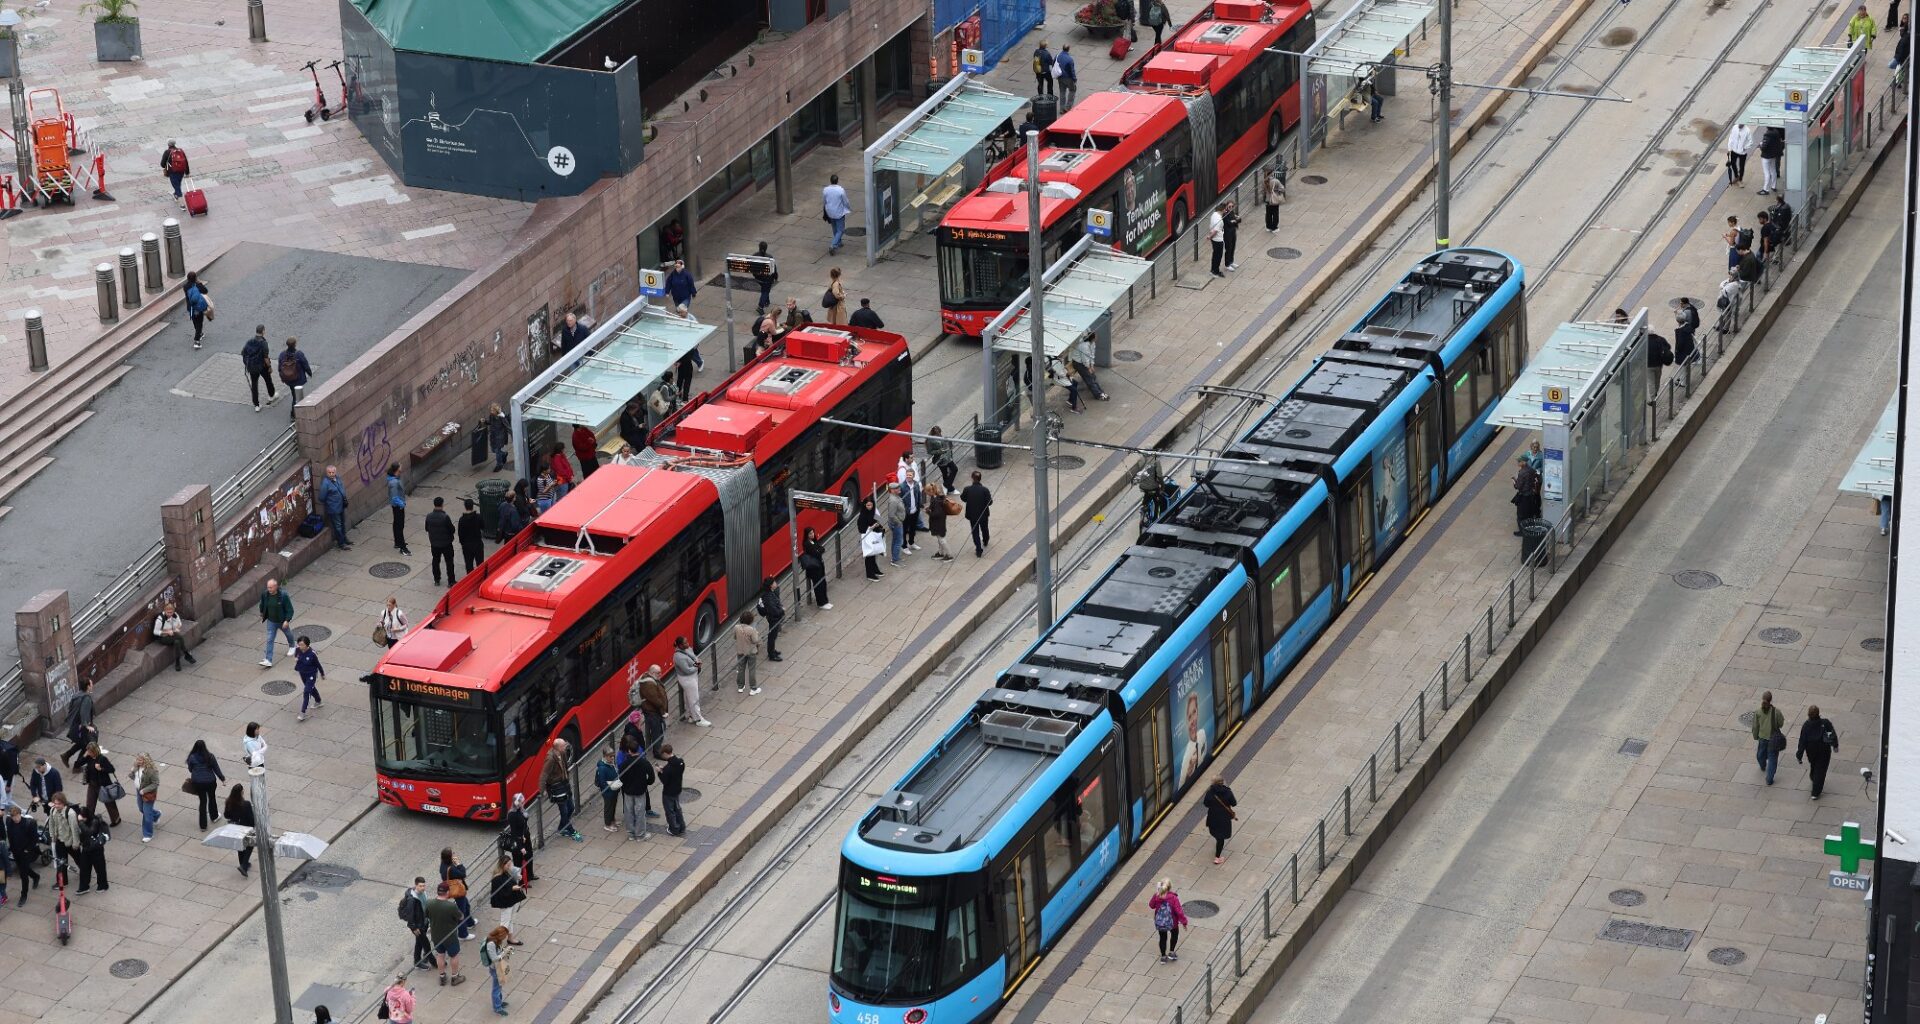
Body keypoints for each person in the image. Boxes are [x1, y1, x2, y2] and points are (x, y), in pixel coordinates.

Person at [1794, 705, 1841, 800]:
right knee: (1821, 770)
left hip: (1811, 750)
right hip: (1824, 750)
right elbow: (1832, 734)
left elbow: (1802, 741)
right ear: (1818, 713)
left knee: (1814, 764)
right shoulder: (1825, 723)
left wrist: (1799, 755)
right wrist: (1835, 745)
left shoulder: (1806, 725)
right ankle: (1815, 792)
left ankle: (1813, 776)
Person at [425, 881, 467, 986]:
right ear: (447, 892)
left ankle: (442, 977)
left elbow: (426, 915)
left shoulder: (429, 903)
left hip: (436, 936)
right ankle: (455, 977)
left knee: (440, 955)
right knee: (454, 955)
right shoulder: (451, 906)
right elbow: (461, 917)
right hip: (450, 937)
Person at [543, 740, 583, 841]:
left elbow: (564, 766)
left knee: (571, 808)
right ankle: (571, 830)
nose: (566, 746)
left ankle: (562, 828)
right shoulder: (550, 759)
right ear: (558, 747)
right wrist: (542, 790)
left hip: (565, 784)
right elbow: (543, 775)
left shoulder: (563, 753)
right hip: (557, 788)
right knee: (564, 811)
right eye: (564, 745)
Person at [617, 735, 655, 839]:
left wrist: (626, 784)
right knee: (640, 813)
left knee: (629, 813)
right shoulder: (644, 763)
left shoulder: (624, 764)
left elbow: (620, 777)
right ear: (638, 749)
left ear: (629, 751)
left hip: (628, 791)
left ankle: (631, 834)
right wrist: (646, 783)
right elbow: (651, 777)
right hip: (640, 791)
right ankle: (640, 834)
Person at [75, 742, 121, 826]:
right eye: (88, 751)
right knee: (90, 803)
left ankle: (116, 819)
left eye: (90, 751)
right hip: (92, 784)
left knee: (109, 803)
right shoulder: (88, 757)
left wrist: (101, 769)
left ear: (95, 751)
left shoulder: (102, 759)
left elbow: (111, 769)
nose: (89, 753)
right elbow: (77, 764)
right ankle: (89, 820)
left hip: (103, 785)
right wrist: (84, 756)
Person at [631, 663, 671, 752]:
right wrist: (663, 711)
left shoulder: (650, 679)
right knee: (657, 732)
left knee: (657, 730)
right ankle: (657, 751)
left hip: (653, 711)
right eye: (658, 673)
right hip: (653, 712)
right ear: (652, 672)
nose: (660, 674)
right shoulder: (648, 683)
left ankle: (655, 748)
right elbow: (655, 700)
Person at [186, 739, 224, 829]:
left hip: (198, 783)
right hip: (210, 781)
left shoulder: (192, 757)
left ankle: (203, 826)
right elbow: (216, 768)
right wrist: (222, 779)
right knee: (212, 798)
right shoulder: (210, 756)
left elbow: (190, 769)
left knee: (202, 802)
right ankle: (214, 816)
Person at [1751, 690, 1787, 786]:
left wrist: (1755, 736)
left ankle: (1762, 765)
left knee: (1760, 754)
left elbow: (1755, 726)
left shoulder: (1758, 712)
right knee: (1772, 759)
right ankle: (1769, 779)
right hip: (1773, 739)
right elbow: (1781, 724)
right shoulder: (1776, 712)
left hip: (1762, 738)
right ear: (1770, 700)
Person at [673, 637, 711, 727]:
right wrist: (697, 666)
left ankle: (690, 715)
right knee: (694, 698)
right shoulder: (678, 657)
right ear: (680, 645)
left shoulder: (687, 649)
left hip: (692, 676)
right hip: (687, 679)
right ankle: (698, 719)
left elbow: (693, 657)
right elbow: (687, 670)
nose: (688, 643)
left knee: (689, 697)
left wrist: (696, 662)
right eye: (685, 643)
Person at [258, 577, 296, 667]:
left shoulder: (283, 596)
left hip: (282, 621)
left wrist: (287, 620)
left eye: (271, 587)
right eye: (268, 587)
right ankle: (268, 659)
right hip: (271, 621)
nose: (269, 589)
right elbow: (262, 604)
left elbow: (290, 609)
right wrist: (262, 614)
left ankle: (292, 646)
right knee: (270, 639)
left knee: (288, 633)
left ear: (276, 586)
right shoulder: (265, 594)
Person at [71, 805, 109, 893]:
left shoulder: (94, 821)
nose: (81, 820)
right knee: (84, 868)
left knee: (100, 868)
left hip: (96, 849)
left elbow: (89, 832)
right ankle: (84, 886)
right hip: (86, 848)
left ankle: (103, 885)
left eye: (82, 818)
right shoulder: (83, 821)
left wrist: (81, 822)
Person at [440, 847, 476, 940]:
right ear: (450, 857)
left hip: (454, 889)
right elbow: (463, 874)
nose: (455, 854)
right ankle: (463, 934)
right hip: (458, 891)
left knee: (466, 906)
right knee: (461, 912)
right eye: (453, 854)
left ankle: (470, 923)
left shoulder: (443, 864)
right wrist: (459, 864)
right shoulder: (451, 868)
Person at [1149, 879, 1189, 963]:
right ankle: (1171, 952)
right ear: (1170, 888)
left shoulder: (1156, 896)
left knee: (1163, 938)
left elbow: (1151, 905)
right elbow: (1179, 911)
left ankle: (1163, 957)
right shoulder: (1173, 898)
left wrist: (1156, 895)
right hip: (1173, 922)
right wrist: (1184, 922)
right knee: (1174, 935)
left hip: (1160, 923)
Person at [488, 854, 527, 938]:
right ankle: (498, 942)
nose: (510, 866)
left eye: (510, 864)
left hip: (513, 900)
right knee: (505, 923)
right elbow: (499, 892)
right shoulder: (497, 878)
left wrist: (518, 877)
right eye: (508, 865)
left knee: (511, 920)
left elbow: (511, 882)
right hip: (506, 903)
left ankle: (510, 938)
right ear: (502, 865)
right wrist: (512, 888)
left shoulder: (508, 871)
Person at [6, 805, 39, 904]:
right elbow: (10, 835)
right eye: (13, 817)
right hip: (15, 851)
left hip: (25, 852)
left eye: (17, 816)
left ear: (20, 814)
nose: (15, 818)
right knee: (22, 868)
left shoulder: (29, 823)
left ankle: (23, 895)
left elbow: (34, 839)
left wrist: (27, 850)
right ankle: (35, 876)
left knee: (23, 874)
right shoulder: (9, 822)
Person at [1203, 775, 1238, 864]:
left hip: (1213, 817)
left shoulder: (1210, 792)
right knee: (1221, 838)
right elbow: (1234, 803)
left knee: (1217, 835)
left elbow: (1206, 804)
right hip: (1224, 818)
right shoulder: (1228, 792)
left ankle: (1218, 852)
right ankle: (1217, 857)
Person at [242, 325, 278, 412]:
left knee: (254, 384)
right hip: (262, 366)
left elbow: (243, 352)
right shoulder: (263, 343)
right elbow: (266, 357)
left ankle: (256, 405)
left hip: (252, 367)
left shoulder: (250, 341)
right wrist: (269, 367)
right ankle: (271, 395)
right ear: (263, 331)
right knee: (268, 380)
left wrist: (247, 364)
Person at [153, 600, 197, 671]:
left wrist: (177, 628)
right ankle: (186, 654)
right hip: (163, 638)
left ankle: (177, 662)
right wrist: (167, 632)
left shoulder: (175, 615)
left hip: (174, 635)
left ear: (173, 611)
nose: (170, 614)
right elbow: (155, 631)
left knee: (177, 642)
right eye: (168, 612)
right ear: (165, 611)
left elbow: (180, 623)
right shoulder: (160, 619)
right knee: (178, 637)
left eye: (171, 612)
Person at [425, 497, 458, 586]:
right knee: (449, 562)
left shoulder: (429, 516)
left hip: (434, 544)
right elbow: (452, 530)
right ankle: (451, 581)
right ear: (442, 504)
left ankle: (437, 579)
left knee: (435, 561)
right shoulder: (445, 517)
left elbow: (427, 528)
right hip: (446, 543)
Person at [481, 925, 513, 1015]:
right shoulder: (491, 944)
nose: (505, 938)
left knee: (499, 986)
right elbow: (494, 958)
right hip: (495, 968)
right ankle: (497, 1007)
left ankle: (499, 1002)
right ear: (500, 935)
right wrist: (504, 953)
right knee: (496, 988)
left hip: (498, 966)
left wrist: (505, 951)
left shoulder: (496, 941)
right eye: (504, 936)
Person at [278, 337, 312, 420]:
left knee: (294, 393)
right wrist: (309, 373)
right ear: (295, 344)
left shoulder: (282, 354)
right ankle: (294, 414)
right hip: (298, 379)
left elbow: (280, 367)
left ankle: (295, 412)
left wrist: (283, 377)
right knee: (296, 396)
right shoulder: (299, 354)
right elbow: (305, 364)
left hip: (288, 380)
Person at [658, 743, 688, 837]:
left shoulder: (668, 768)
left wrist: (660, 772)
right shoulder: (681, 762)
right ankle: (682, 826)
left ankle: (674, 829)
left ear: (666, 753)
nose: (663, 757)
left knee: (670, 811)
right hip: (677, 789)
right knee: (677, 808)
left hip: (668, 792)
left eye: (663, 755)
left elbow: (665, 781)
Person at [226, 783, 256, 876]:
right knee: (250, 845)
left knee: (240, 846)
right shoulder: (246, 804)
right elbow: (251, 819)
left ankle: (243, 863)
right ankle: (244, 865)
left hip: (235, 828)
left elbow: (226, 815)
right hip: (245, 828)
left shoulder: (228, 801)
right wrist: (253, 826)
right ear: (241, 792)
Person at [318, 465, 351, 550]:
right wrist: (330, 502)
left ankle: (345, 539)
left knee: (342, 523)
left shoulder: (338, 478)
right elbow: (321, 497)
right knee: (338, 526)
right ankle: (341, 543)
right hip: (333, 508)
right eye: (329, 472)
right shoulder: (325, 483)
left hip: (341, 506)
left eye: (333, 472)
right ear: (327, 473)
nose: (331, 474)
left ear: (335, 472)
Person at [293, 636, 325, 722]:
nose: (300, 646)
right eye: (299, 644)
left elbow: (318, 664)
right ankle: (318, 701)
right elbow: (296, 655)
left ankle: (302, 712)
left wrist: (322, 673)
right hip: (302, 673)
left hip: (311, 674)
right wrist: (296, 659)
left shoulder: (312, 654)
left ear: (307, 645)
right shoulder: (298, 649)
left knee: (306, 691)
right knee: (311, 688)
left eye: (302, 645)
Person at [962, 471, 993, 556]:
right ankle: (985, 540)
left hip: (972, 515)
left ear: (972, 478)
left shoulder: (967, 489)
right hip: (983, 514)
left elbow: (963, 498)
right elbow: (990, 502)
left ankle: (978, 549)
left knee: (975, 532)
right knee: (984, 528)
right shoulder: (985, 490)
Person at [131, 753, 160, 843]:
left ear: (145, 760)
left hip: (147, 794)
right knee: (141, 808)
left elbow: (155, 783)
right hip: (139, 791)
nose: (137, 761)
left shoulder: (152, 771)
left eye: (140, 760)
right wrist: (132, 772)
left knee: (147, 814)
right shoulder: (137, 767)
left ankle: (147, 834)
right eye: (137, 759)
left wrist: (145, 790)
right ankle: (156, 814)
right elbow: (135, 777)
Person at [757, 578, 786, 662]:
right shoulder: (768, 597)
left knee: (774, 635)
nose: (776, 583)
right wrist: (782, 610)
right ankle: (771, 654)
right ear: (770, 586)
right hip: (773, 618)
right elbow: (774, 611)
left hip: (774, 618)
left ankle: (772, 650)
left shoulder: (770, 593)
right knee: (772, 636)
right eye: (774, 582)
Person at [801, 528, 831, 609]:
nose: (812, 534)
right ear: (807, 535)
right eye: (810, 533)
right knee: (818, 584)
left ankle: (825, 601)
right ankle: (821, 603)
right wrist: (818, 550)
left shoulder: (813, 541)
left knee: (823, 583)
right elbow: (816, 553)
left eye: (813, 533)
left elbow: (821, 549)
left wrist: (818, 550)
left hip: (819, 565)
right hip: (814, 568)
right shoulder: (807, 543)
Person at [734, 610, 763, 695]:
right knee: (751, 669)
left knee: (741, 669)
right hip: (751, 652)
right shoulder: (752, 629)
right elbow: (755, 641)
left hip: (740, 651)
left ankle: (740, 687)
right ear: (751, 620)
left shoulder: (736, 627)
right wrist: (756, 634)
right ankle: (753, 689)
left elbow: (735, 637)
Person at [1511, 455, 1542, 534]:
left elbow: (1518, 486)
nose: (1518, 463)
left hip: (1523, 496)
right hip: (1531, 495)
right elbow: (1537, 477)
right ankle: (1530, 529)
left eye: (1519, 461)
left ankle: (1522, 532)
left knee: (1521, 515)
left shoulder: (1522, 473)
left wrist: (1514, 481)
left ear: (1523, 462)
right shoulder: (1531, 470)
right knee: (1529, 514)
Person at [878, 484, 907, 565]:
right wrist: (899, 522)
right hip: (896, 524)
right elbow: (891, 515)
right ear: (892, 490)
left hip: (896, 523)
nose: (899, 488)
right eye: (897, 488)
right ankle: (895, 560)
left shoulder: (896, 497)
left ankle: (895, 557)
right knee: (898, 542)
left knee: (895, 540)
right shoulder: (893, 500)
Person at [823, 174, 852, 255]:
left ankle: (839, 242)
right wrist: (849, 208)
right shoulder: (840, 190)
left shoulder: (825, 190)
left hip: (830, 212)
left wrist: (825, 209)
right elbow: (845, 201)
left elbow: (824, 201)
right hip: (839, 212)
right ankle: (833, 245)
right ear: (837, 181)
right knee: (841, 230)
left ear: (830, 181)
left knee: (834, 227)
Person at [595, 746, 622, 832]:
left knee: (613, 805)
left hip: (614, 790)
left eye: (613, 756)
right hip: (608, 791)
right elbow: (602, 782)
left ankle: (612, 820)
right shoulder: (602, 768)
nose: (612, 758)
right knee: (608, 807)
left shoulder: (610, 763)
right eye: (610, 756)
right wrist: (611, 787)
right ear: (605, 756)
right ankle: (607, 824)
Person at [386, 462, 411, 554]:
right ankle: (403, 548)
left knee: (397, 524)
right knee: (399, 526)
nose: (402, 466)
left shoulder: (396, 478)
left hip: (398, 505)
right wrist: (402, 504)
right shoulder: (394, 482)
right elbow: (394, 497)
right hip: (398, 506)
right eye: (400, 466)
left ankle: (398, 542)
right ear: (397, 469)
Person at [182, 270, 211, 348]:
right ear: (195, 278)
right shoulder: (198, 285)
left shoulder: (185, 286)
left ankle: (199, 333)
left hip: (190, 307)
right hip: (198, 307)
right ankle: (196, 341)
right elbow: (205, 291)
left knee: (195, 321)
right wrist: (199, 283)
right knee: (199, 323)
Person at [926, 480, 953, 560]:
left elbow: (936, 514)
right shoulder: (937, 498)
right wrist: (930, 508)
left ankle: (949, 555)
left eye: (927, 492)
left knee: (941, 539)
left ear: (931, 491)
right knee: (939, 538)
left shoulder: (936, 501)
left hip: (938, 523)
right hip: (940, 521)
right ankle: (941, 553)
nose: (926, 494)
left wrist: (928, 512)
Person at [458, 498, 486, 574]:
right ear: (472, 506)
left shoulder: (461, 520)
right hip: (477, 544)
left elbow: (460, 534)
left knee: (469, 565)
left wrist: (463, 543)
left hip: (467, 546)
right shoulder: (478, 517)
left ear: (465, 506)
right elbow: (483, 526)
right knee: (480, 564)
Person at [927, 426, 959, 491]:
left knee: (955, 469)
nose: (939, 435)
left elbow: (945, 443)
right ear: (934, 434)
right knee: (945, 473)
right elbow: (930, 452)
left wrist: (948, 443)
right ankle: (949, 488)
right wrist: (939, 451)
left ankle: (946, 485)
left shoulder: (940, 436)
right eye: (938, 434)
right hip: (940, 459)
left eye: (940, 433)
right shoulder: (930, 440)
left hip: (947, 457)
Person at [160, 139, 190, 206]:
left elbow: (162, 164)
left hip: (172, 172)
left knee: (177, 187)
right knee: (178, 185)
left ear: (168, 144)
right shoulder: (180, 150)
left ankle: (182, 204)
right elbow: (185, 162)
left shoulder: (167, 152)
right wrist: (187, 172)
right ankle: (176, 195)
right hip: (181, 171)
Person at [1758, 125, 1785, 195]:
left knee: (1766, 172)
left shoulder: (1767, 135)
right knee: (1773, 170)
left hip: (1766, 156)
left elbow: (1764, 147)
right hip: (1773, 155)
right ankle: (1773, 186)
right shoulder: (1776, 133)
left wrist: (1760, 145)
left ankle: (1765, 189)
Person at [1673, 299, 1699, 366]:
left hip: (1683, 357)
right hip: (1690, 331)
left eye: (1681, 303)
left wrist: (1677, 350)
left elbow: (1680, 344)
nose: (1680, 305)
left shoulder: (1679, 331)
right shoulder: (1688, 327)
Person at [489, 403, 512, 472]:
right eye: (491, 410)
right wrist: (484, 422)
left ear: (496, 411)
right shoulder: (492, 416)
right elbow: (491, 423)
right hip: (493, 436)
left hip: (500, 437)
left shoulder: (502, 418)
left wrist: (513, 435)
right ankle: (504, 454)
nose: (491, 411)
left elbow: (508, 427)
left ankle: (499, 464)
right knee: (493, 450)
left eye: (492, 410)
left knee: (497, 451)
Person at [1262, 164, 1285, 232]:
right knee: (1275, 213)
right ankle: (1274, 227)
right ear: (1272, 173)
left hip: (1267, 199)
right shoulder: (1276, 181)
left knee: (1268, 213)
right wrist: (1277, 192)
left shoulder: (1264, 181)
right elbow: (1282, 189)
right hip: (1274, 200)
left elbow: (1263, 191)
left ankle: (1268, 227)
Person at [1208, 206, 1226, 277]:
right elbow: (1215, 230)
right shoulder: (1219, 220)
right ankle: (1215, 271)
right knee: (1218, 256)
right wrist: (1210, 236)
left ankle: (1213, 270)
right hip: (1218, 239)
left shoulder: (1214, 214)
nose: (1225, 211)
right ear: (1222, 210)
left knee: (1215, 254)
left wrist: (1210, 236)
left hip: (1214, 240)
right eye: (1225, 209)